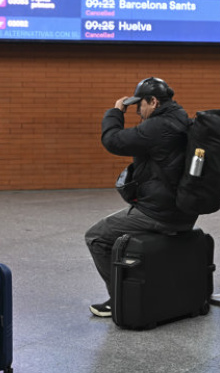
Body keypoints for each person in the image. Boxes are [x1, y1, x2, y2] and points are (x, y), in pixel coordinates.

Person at [85, 77, 197, 317]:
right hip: (182, 208)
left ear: (153, 101)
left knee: (96, 236)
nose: (137, 111)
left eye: (140, 105)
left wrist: (116, 112)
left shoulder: (158, 126)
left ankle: (120, 299)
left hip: (160, 212)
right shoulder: (180, 118)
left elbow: (113, 141)